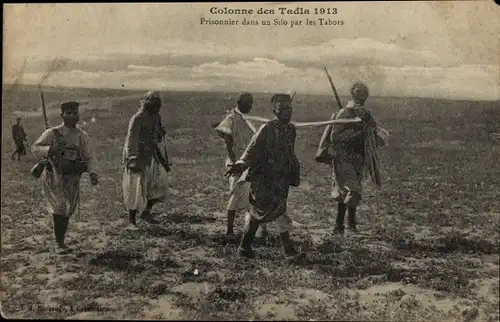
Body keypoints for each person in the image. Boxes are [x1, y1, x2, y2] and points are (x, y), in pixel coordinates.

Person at [226, 98, 304, 263]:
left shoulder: (291, 129)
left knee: (264, 213)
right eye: (282, 109)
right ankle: (288, 252)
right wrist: (240, 164)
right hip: (263, 178)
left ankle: (244, 247)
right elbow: (251, 150)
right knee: (271, 213)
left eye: (289, 109)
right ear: (274, 111)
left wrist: (292, 170)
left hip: (280, 178)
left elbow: (289, 152)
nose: (286, 112)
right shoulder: (266, 129)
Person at [31, 101, 99, 254]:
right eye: (68, 113)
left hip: (72, 177)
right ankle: (59, 243)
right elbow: (35, 148)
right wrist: (50, 149)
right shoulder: (52, 133)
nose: (72, 116)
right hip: (53, 176)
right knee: (60, 207)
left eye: (74, 113)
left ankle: (60, 240)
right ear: (62, 115)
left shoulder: (82, 136)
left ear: (78, 115)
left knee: (68, 209)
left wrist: (92, 173)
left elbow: (89, 156)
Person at [329, 82, 383, 235]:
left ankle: (344, 226)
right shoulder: (344, 113)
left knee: (347, 192)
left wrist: (367, 124)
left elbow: (375, 134)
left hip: (358, 158)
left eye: (363, 93)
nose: (361, 96)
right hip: (343, 157)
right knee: (352, 190)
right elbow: (335, 136)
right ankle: (344, 226)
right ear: (353, 95)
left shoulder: (366, 114)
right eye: (358, 93)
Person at [214, 92, 268, 241]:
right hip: (236, 165)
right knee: (237, 195)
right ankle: (229, 231)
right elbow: (228, 142)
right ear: (240, 103)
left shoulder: (246, 119)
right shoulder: (231, 119)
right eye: (248, 103)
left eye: (251, 103)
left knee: (251, 198)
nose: (250, 106)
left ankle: (253, 230)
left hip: (247, 164)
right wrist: (235, 162)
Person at [122, 91, 171, 228]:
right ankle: (132, 220)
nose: (157, 107)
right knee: (135, 190)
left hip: (151, 156)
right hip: (137, 158)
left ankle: (146, 212)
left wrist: (160, 134)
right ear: (147, 103)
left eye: (158, 105)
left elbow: (157, 136)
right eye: (154, 104)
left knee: (158, 184)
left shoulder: (156, 117)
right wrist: (132, 158)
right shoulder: (138, 118)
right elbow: (131, 139)